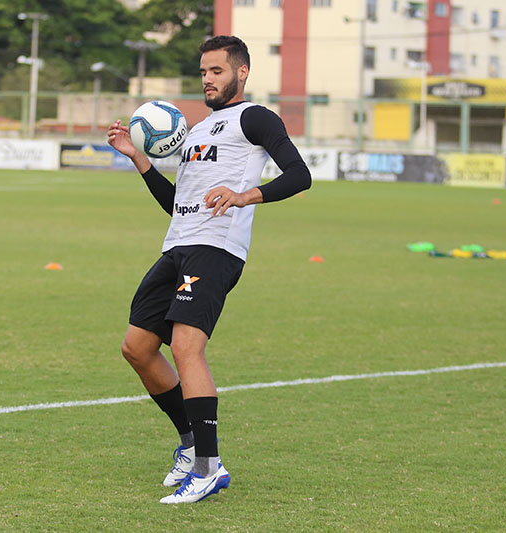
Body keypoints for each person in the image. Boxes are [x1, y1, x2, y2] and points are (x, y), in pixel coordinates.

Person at [107, 35, 311, 504]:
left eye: (216, 71)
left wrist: (245, 196)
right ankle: (190, 443)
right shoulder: (197, 131)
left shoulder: (255, 117)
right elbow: (176, 206)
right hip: (177, 246)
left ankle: (208, 468)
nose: (208, 80)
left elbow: (300, 175)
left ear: (241, 73)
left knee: (185, 346)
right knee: (137, 348)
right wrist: (139, 159)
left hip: (216, 249)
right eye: (203, 72)